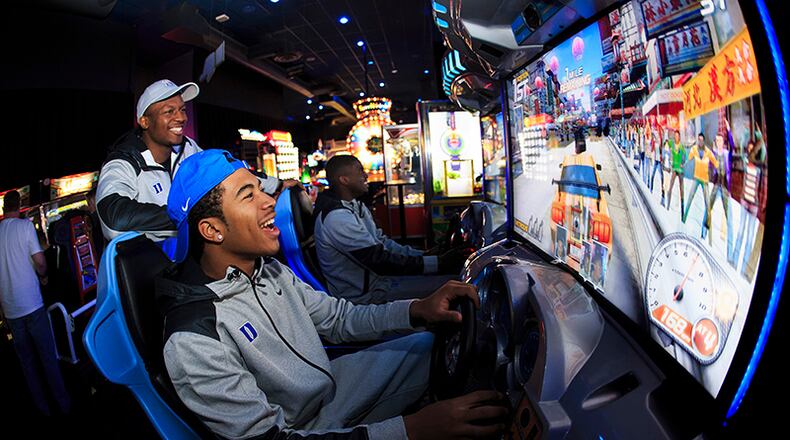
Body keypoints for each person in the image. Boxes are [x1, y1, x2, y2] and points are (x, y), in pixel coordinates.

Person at [157, 149, 508, 440]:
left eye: (261, 189)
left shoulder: (269, 269)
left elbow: (339, 318)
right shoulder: (194, 335)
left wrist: (418, 309)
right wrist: (412, 429)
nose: (269, 201)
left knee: (437, 343)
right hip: (299, 429)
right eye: (248, 196)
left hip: (327, 390)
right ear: (212, 229)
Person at [95, 79, 295, 244]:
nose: (181, 117)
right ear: (144, 121)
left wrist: (278, 184)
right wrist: (192, 216)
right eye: (169, 111)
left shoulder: (188, 148)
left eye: (182, 110)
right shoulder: (123, 162)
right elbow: (115, 219)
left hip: (184, 257)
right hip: (147, 271)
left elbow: (229, 172)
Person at [313, 155, 464, 304]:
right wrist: (437, 263)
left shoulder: (355, 205)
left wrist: (425, 255)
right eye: (359, 171)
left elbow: (382, 243)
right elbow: (378, 260)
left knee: (453, 282)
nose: (366, 175)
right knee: (454, 288)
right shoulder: (336, 217)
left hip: (380, 283)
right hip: (364, 298)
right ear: (344, 180)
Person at [0, 190, 71, 417]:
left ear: (3, 209)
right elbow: (40, 262)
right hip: (32, 302)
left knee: (27, 364)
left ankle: (42, 409)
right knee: (48, 357)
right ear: (19, 205)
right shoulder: (25, 227)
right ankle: (64, 405)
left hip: (11, 310)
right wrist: (43, 275)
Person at [683, 133, 718, 238]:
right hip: (696, 178)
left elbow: (716, 163)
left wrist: (716, 151)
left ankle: (704, 230)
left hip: (705, 180)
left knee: (708, 205)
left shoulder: (708, 152)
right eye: (699, 140)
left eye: (702, 140)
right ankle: (683, 220)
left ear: (704, 141)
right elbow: (688, 158)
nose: (700, 141)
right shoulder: (694, 149)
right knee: (689, 199)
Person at [707, 122, 733, 252]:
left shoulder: (727, 153)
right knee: (708, 207)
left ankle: (728, 243)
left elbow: (733, 146)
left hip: (725, 186)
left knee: (728, 213)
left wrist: (728, 130)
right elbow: (710, 168)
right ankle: (704, 233)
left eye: (720, 140)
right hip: (716, 184)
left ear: (723, 142)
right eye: (717, 141)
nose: (719, 142)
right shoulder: (714, 154)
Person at [666, 129, 686, 218]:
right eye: (675, 136)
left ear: (679, 137)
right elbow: (666, 140)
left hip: (680, 170)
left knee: (681, 190)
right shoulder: (672, 144)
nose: (676, 137)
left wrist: (682, 163)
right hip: (674, 168)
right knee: (670, 187)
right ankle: (668, 205)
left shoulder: (681, 147)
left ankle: (682, 211)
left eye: (677, 136)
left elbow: (684, 157)